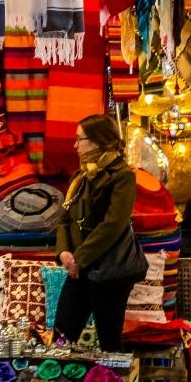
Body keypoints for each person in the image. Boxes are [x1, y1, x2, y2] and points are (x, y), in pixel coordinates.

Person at [52, 112, 146, 347]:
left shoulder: (122, 176)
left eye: (79, 139)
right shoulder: (80, 177)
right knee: (62, 337)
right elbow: (64, 219)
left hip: (109, 272)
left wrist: (79, 259)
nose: (75, 146)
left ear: (98, 140)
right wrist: (64, 253)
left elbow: (113, 224)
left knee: (109, 340)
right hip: (79, 269)